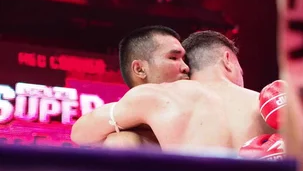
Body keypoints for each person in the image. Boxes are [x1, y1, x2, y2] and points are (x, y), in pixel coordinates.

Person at [71, 31, 279, 155]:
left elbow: (80, 133)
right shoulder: (266, 103)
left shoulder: (162, 97)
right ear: (227, 60)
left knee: (121, 141)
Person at [101, 25, 190, 148]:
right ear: (139, 69)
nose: (186, 67)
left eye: (184, 60)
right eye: (173, 58)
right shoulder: (123, 143)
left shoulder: (196, 125)